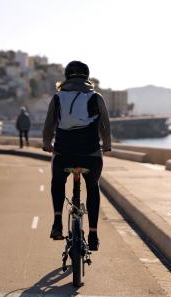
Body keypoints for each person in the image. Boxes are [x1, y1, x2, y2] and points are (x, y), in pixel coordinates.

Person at [42, 60, 112, 251]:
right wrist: (107, 144)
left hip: (64, 153)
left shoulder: (58, 98)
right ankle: (94, 234)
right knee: (93, 186)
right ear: (87, 77)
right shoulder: (96, 97)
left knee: (57, 181)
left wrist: (47, 143)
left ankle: (57, 222)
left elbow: (49, 124)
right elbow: (105, 124)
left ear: (66, 77)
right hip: (91, 154)